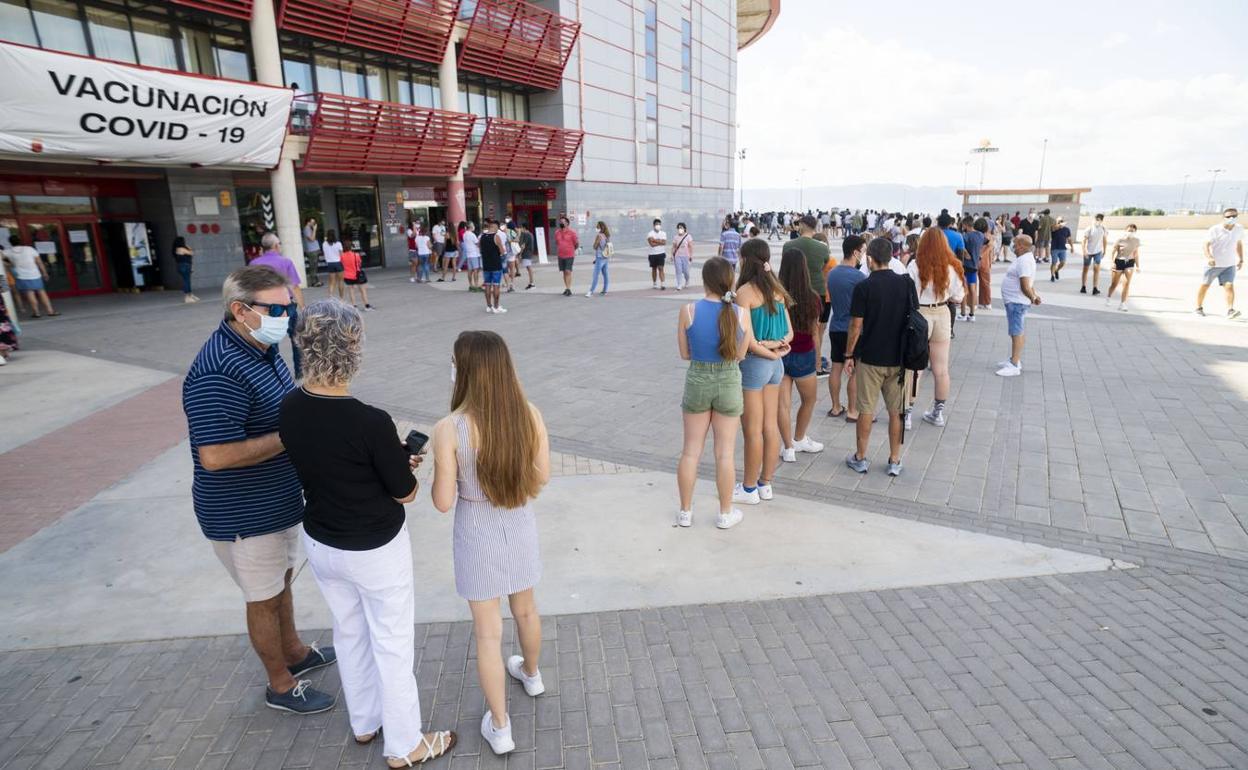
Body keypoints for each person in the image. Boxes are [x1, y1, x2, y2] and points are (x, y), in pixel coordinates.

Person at [279, 300, 456, 767]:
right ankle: (404, 744)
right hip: (374, 547)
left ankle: (364, 722)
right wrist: (398, 462)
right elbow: (405, 493)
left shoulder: (290, 406)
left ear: (304, 344)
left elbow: (331, 459)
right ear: (353, 348)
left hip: (322, 540)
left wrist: (384, 457)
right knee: (391, 643)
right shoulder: (370, 420)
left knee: (350, 631)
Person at [182, 266, 337, 716]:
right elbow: (215, 456)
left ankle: (295, 652)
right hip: (244, 513)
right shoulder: (218, 370)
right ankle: (280, 685)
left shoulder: (261, 348)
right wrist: (292, 435)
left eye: (290, 307)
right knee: (263, 598)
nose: (287, 317)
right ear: (240, 310)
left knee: (280, 583)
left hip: (277, 500)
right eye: (277, 309)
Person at [431, 331, 551, 757]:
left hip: (475, 531)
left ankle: (500, 727)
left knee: (488, 634)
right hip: (518, 521)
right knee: (526, 609)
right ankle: (532, 674)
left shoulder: (449, 429)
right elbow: (541, 478)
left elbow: (442, 502)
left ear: (464, 369)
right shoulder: (529, 415)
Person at [676, 257, 752, 529]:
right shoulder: (741, 313)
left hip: (697, 379)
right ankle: (725, 513)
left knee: (690, 451)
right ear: (729, 280)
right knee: (725, 454)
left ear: (704, 280)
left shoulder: (688, 310)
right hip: (729, 380)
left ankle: (685, 512)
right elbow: (741, 354)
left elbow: (684, 354)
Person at [843, 238, 914, 476]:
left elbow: (856, 326)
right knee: (896, 411)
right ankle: (895, 459)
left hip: (870, 357)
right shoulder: (906, 284)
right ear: (891, 258)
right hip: (899, 357)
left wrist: (849, 354)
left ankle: (861, 457)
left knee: (866, 409)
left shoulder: (864, 287)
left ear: (870, 259)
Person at [733, 239, 793, 506]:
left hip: (754, 365)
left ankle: (748, 489)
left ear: (746, 260)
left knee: (752, 430)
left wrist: (766, 349)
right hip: (776, 366)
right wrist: (776, 349)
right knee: (770, 426)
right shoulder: (778, 289)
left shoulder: (744, 292)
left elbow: (747, 340)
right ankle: (765, 483)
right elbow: (789, 333)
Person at [907, 229, 965, 428]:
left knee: (915, 368)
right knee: (941, 369)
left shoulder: (915, 265)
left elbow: (908, 293)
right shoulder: (953, 266)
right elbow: (959, 297)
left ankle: (907, 413)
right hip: (942, 313)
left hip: (919, 314)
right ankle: (937, 412)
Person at [776, 249, 825, 462]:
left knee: (782, 405)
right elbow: (815, 332)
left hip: (779, 353)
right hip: (804, 354)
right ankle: (799, 438)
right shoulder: (813, 298)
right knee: (809, 399)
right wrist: (818, 359)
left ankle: (788, 448)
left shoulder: (776, 297)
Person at [250, 232, 305, 378]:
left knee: (270, 342)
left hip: (264, 308)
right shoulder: (286, 262)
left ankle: (276, 372)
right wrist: (303, 307)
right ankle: (300, 372)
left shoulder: (254, 264)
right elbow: (294, 287)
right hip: (287, 306)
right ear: (275, 246)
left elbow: (250, 288)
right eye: (279, 243)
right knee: (296, 338)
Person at [785, 215, 832, 376]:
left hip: (792, 290)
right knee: (815, 331)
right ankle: (817, 366)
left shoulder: (789, 245)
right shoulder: (822, 247)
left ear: (803, 225)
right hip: (817, 291)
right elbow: (825, 264)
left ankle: (789, 359)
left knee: (792, 327)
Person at [827, 235, 866, 420]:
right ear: (855, 252)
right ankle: (852, 410)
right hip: (854, 329)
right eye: (863, 251)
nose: (864, 255)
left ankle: (835, 407)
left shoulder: (832, 273)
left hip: (836, 326)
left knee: (836, 367)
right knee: (855, 371)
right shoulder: (859, 277)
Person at [996, 234, 1041, 377]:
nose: (1012, 245)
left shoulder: (1024, 261)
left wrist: (1032, 297)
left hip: (1017, 302)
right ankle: (1014, 359)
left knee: (1016, 332)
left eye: (1014, 243)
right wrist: (1034, 295)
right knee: (1015, 332)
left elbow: (1025, 285)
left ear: (1021, 246)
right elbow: (1029, 283)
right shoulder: (1023, 259)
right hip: (1015, 301)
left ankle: (1014, 365)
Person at [1196, 208, 1243, 319]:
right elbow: (1206, 245)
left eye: (1234, 216)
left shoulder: (1239, 229)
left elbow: (1239, 244)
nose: (1231, 218)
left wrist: (1241, 259)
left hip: (1229, 265)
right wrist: (1209, 257)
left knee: (1229, 286)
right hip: (1213, 265)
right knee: (1205, 286)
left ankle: (1230, 310)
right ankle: (1198, 308)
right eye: (1228, 216)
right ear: (1223, 217)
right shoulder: (1215, 229)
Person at [3, 235, 58, 318]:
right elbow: (39, 262)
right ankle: (50, 311)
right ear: (20, 240)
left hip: (21, 275)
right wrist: (44, 273)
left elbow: (3, 260)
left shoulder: (7, 252)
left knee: (29, 293)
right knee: (41, 292)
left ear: (10, 242)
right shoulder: (30, 249)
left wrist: (10, 264)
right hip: (35, 274)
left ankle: (36, 312)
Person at [1106, 224, 1141, 312]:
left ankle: (1123, 304)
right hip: (1119, 262)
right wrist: (1112, 262)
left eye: (1133, 231)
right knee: (1114, 284)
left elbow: (1136, 254)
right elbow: (1113, 252)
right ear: (1125, 231)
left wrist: (1137, 266)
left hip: (1130, 262)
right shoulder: (1120, 240)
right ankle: (1108, 297)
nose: (1131, 232)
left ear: (1135, 232)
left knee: (1126, 284)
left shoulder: (1136, 241)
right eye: (1129, 230)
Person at [959, 219, 985, 323]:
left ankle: (963, 313)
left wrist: (966, 254)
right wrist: (980, 254)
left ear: (966, 225)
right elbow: (989, 243)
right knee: (973, 289)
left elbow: (961, 247)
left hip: (965, 265)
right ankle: (972, 314)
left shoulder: (965, 236)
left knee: (964, 289)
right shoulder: (980, 235)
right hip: (974, 265)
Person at [479, 219, 508, 314]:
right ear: (495, 227)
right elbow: (502, 251)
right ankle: (496, 306)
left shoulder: (482, 237)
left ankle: (489, 306)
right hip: (496, 264)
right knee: (496, 286)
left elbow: (480, 248)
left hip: (486, 265)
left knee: (487, 285)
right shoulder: (496, 237)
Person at [1080, 213, 1107, 295]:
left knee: (1096, 270)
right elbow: (1083, 241)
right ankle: (1083, 286)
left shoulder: (1103, 229)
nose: (1096, 221)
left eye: (1099, 219)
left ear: (1101, 220)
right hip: (1088, 252)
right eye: (1096, 219)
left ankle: (1095, 288)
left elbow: (1104, 240)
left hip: (1098, 252)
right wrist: (1084, 251)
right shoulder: (1089, 228)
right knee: (1085, 269)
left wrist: (1104, 250)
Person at [341, 246, 373, 311]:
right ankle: (367, 306)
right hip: (357, 274)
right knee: (362, 290)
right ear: (351, 248)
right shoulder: (356, 255)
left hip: (348, 275)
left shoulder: (342, 256)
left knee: (351, 290)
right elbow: (359, 263)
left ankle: (354, 306)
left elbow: (342, 264)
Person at [555, 216, 578, 296]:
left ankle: (568, 289)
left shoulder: (572, 232)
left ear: (567, 223)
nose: (561, 223)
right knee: (564, 272)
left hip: (569, 255)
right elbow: (557, 242)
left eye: (563, 222)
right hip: (560, 255)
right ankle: (566, 288)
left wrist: (572, 250)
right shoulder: (557, 232)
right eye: (560, 222)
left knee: (568, 271)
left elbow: (576, 243)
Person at [588, 221, 610, 297]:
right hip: (606, 257)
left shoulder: (599, 236)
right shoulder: (606, 235)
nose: (596, 228)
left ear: (601, 227)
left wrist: (596, 242)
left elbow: (595, 247)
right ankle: (605, 290)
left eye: (597, 227)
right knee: (605, 275)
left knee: (595, 275)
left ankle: (591, 291)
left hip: (600, 258)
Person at [321, 230, 344, 299]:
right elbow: (341, 254)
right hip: (338, 263)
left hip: (330, 264)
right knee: (340, 281)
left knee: (332, 282)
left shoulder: (324, 244)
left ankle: (330, 297)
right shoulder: (338, 243)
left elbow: (324, 253)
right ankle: (341, 298)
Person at [173, 237, 198, 303]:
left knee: (186, 280)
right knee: (186, 281)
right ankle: (187, 297)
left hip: (181, 266)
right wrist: (187, 246)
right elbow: (191, 253)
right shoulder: (181, 249)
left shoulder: (177, 249)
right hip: (185, 266)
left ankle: (190, 295)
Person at [671, 223, 694, 291]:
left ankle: (687, 280)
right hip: (677, 256)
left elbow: (691, 247)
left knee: (686, 271)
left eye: (681, 228)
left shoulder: (688, 236)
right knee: (678, 270)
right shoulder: (675, 237)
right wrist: (672, 255)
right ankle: (679, 284)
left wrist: (691, 255)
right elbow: (673, 247)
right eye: (678, 228)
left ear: (684, 228)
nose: (680, 229)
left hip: (686, 256)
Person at [461, 221, 482, 292]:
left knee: (470, 270)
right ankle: (476, 285)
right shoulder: (472, 235)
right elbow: (477, 243)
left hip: (469, 254)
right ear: (470, 227)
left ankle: (471, 285)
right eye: (473, 225)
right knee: (476, 270)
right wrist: (480, 240)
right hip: (474, 254)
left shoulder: (464, 234)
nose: (474, 227)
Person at [647, 218, 668, 290]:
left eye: (659, 224)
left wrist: (655, 240)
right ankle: (654, 283)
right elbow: (651, 244)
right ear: (653, 225)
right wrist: (659, 241)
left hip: (661, 253)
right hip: (652, 254)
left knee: (661, 268)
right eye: (656, 224)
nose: (658, 226)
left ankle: (662, 284)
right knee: (654, 269)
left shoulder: (663, 233)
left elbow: (664, 243)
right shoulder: (650, 234)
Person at [1049, 217, 1072, 282]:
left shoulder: (1067, 229)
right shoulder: (1053, 227)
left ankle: (1056, 270)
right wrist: (1059, 225)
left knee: (1063, 262)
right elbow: (1053, 229)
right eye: (1059, 221)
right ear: (1057, 222)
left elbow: (1069, 239)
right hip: (1054, 248)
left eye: (1062, 221)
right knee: (1054, 262)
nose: (1060, 222)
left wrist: (1072, 247)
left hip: (1063, 248)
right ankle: (1052, 276)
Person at [302, 218, 322, 287]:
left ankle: (316, 281)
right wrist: (315, 230)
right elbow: (312, 239)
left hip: (314, 250)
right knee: (313, 267)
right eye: (313, 222)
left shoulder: (309, 229)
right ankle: (313, 282)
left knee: (315, 267)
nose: (314, 224)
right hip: (312, 251)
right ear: (308, 222)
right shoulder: (307, 229)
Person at [517, 221, 536, 290]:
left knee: (529, 268)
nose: (520, 229)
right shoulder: (530, 234)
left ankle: (532, 283)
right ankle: (531, 283)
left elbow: (523, 245)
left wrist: (520, 254)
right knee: (529, 268)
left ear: (524, 227)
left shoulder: (526, 234)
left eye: (521, 227)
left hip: (526, 253)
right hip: (529, 252)